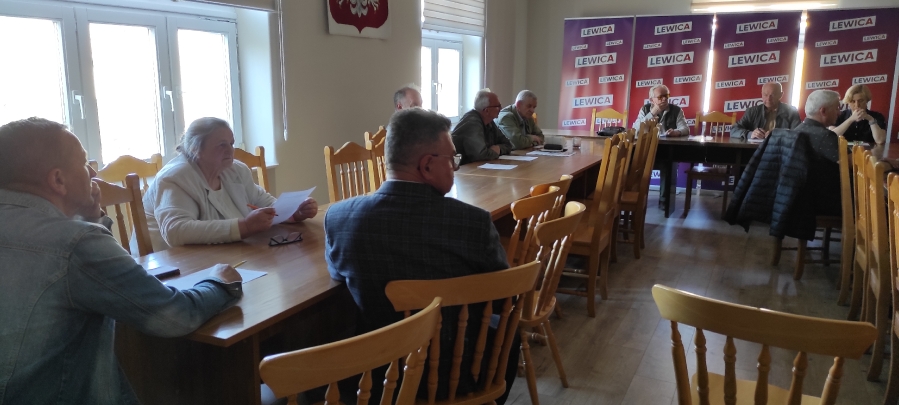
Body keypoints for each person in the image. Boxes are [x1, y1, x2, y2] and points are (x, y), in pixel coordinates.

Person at [0, 117, 242, 404]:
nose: (93, 173)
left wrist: (93, 218)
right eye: (84, 163)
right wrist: (219, 283)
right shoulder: (76, 243)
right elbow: (174, 317)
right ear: (58, 180)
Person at [325, 108, 517, 403]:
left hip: (376, 377)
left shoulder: (338, 218)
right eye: (451, 159)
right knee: (509, 333)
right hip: (456, 374)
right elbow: (504, 299)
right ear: (427, 165)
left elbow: (338, 276)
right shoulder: (472, 223)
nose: (454, 167)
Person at [141, 117, 317, 251]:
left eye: (231, 143)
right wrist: (244, 227)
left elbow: (261, 202)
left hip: (222, 254)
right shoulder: (175, 177)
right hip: (171, 266)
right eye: (221, 145)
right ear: (196, 149)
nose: (230, 150)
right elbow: (176, 231)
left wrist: (292, 213)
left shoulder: (235, 170)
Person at [796, 89, 843, 217]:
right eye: (837, 108)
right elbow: (853, 164)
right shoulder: (825, 136)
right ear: (823, 111)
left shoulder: (797, 129)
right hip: (826, 202)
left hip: (801, 199)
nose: (839, 112)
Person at [452, 89, 513, 164]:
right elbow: (481, 155)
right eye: (498, 106)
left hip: (477, 166)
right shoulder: (472, 123)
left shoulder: (489, 121)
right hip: (463, 168)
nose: (501, 109)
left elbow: (508, 145)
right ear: (486, 110)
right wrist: (495, 152)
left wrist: (499, 149)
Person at [730, 82, 801, 139]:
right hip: (754, 149)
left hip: (780, 150)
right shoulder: (752, 111)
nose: (768, 99)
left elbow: (798, 134)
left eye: (772, 95)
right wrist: (750, 134)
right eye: (765, 95)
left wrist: (778, 134)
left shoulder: (791, 112)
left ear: (781, 95)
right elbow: (734, 130)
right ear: (761, 94)